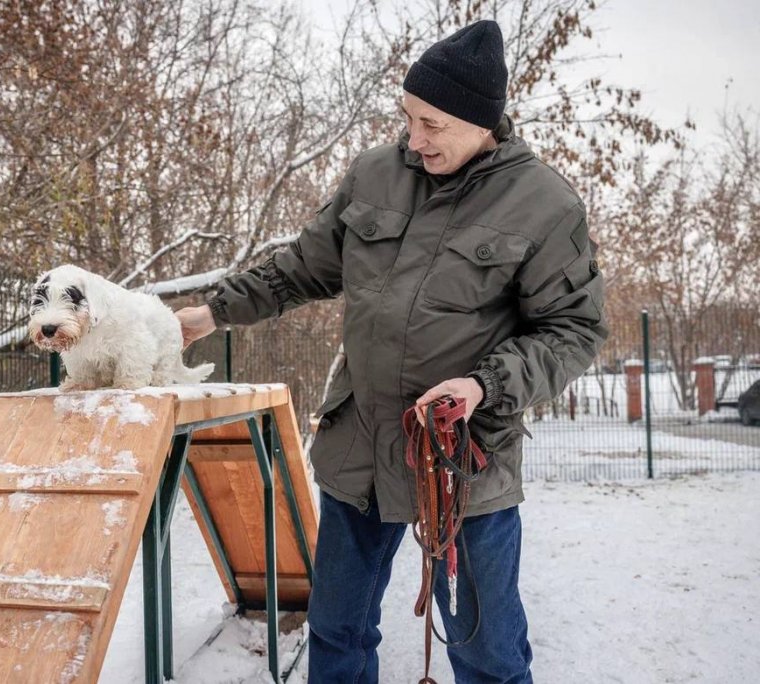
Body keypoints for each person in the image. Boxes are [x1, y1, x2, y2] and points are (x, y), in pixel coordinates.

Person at [176, 18, 606, 684]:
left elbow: (573, 330)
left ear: (481, 122)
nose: (415, 138)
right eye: (408, 117)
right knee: (336, 630)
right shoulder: (376, 173)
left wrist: (484, 385)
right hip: (361, 452)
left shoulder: (543, 204)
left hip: (462, 461)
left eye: (432, 124)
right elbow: (302, 268)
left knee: (484, 650)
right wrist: (211, 313)